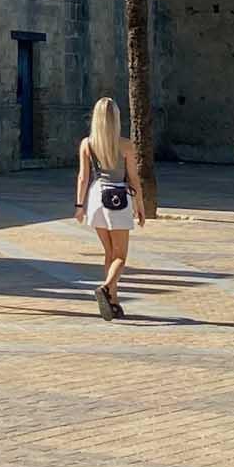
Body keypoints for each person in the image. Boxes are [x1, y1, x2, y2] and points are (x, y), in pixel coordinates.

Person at [74, 95, 145, 319]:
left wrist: (79, 205)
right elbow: (133, 178)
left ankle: (113, 301)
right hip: (118, 198)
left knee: (109, 253)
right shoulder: (125, 145)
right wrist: (140, 205)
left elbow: (83, 177)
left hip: (96, 197)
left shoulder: (87, 143)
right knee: (121, 256)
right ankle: (106, 288)